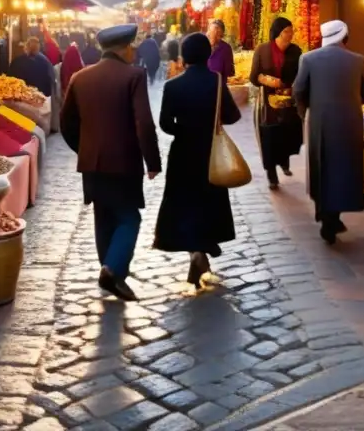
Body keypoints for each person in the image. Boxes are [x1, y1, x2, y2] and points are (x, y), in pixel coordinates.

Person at [60, 24, 162, 301]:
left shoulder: (80, 77)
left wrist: (85, 148)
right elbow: (144, 123)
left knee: (103, 217)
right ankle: (112, 270)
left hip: (91, 164)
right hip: (124, 162)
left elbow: (66, 123)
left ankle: (111, 272)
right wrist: (152, 161)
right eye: (133, 46)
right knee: (129, 218)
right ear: (125, 48)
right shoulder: (134, 75)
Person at [154, 33, 241, 288]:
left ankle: (195, 252)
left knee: (184, 203)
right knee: (208, 201)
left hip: (183, 153)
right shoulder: (216, 81)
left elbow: (165, 124)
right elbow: (233, 115)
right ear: (207, 54)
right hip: (210, 152)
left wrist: (184, 129)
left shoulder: (173, 86)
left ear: (185, 56)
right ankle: (201, 249)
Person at [294, 20, 364, 244]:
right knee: (342, 169)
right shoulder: (358, 60)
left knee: (322, 166)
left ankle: (326, 215)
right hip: (349, 123)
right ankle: (332, 217)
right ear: (345, 37)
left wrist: (305, 112)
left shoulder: (308, 59)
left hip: (319, 122)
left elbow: (298, 90)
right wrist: (354, 101)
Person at [249, 17, 303, 190]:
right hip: (268, 102)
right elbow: (254, 76)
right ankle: (271, 175)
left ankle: (284, 161)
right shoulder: (263, 50)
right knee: (270, 137)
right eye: (287, 31)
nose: (290, 34)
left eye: (291, 30)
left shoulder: (296, 51)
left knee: (288, 135)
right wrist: (267, 80)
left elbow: (301, 75)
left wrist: (291, 87)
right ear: (278, 32)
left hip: (289, 101)